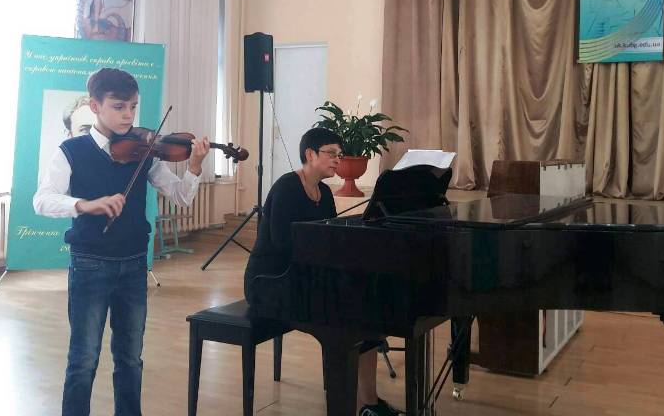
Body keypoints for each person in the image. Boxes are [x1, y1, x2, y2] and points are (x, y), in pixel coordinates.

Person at [33, 67, 210, 416]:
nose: (128, 115)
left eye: (133, 106)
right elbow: (42, 200)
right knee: (83, 358)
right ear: (95, 106)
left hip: (133, 264)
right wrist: (85, 205)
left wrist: (194, 166)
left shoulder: (145, 152)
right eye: (118, 106)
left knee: (130, 358)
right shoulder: (71, 150)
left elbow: (181, 197)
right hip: (89, 264)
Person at [243, 127, 400, 416]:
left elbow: (330, 240)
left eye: (340, 154)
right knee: (349, 315)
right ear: (310, 154)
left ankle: (368, 401)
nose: (338, 159)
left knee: (368, 309)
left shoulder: (325, 192)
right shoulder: (287, 187)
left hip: (304, 278)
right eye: (331, 153)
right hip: (270, 282)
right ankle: (353, 401)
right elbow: (282, 244)